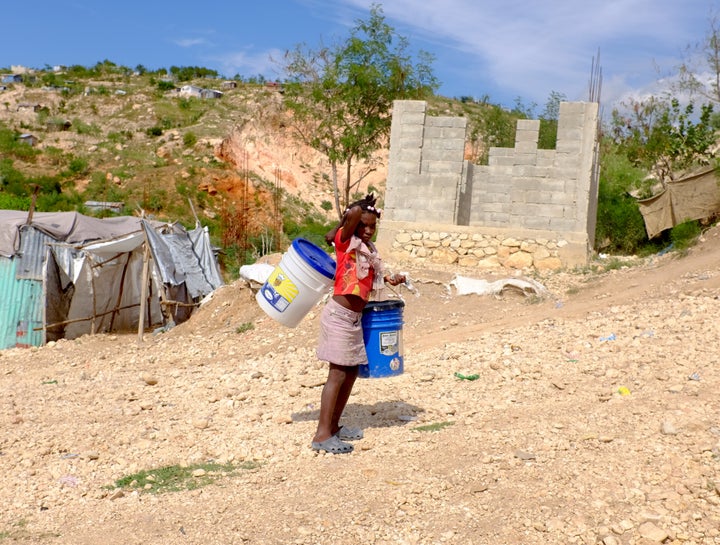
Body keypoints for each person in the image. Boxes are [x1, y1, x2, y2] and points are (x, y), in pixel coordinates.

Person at [311, 194, 406, 454]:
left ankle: (333, 427)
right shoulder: (345, 243)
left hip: (355, 318)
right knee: (338, 373)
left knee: (350, 373)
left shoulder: (370, 252)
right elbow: (352, 213)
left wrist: (393, 279)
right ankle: (321, 436)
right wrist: (357, 212)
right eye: (363, 225)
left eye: (372, 226)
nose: (367, 230)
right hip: (339, 317)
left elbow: (376, 276)